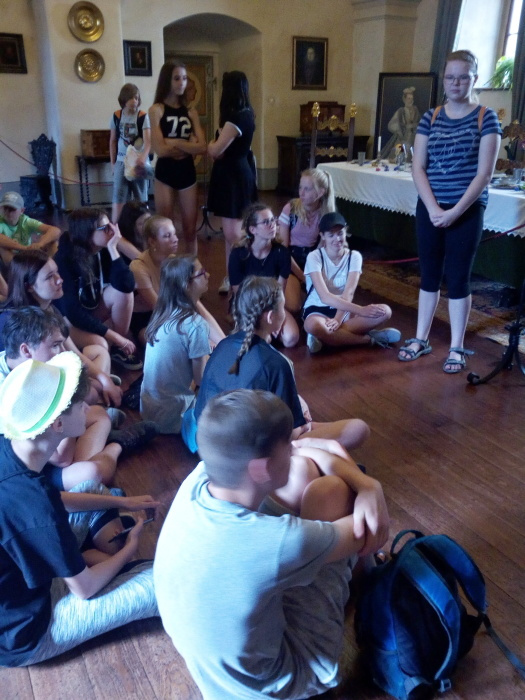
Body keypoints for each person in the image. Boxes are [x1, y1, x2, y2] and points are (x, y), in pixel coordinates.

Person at [154, 389, 389, 700]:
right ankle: (366, 588)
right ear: (261, 469)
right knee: (334, 493)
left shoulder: (198, 480)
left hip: (219, 675)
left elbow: (304, 452)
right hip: (280, 682)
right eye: (286, 448)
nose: (294, 449)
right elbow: (367, 529)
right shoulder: (278, 542)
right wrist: (365, 485)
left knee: (304, 474)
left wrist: (366, 483)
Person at [0, 352, 159, 667]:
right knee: (161, 583)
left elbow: (55, 500)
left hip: (24, 575)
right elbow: (84, 589)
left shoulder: (12, 448)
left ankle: (89, 554)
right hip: (27, 631)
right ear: (57, 423)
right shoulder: (35, 504)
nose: (87, 408)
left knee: (88, 487)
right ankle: (99, 556)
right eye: (79, 404)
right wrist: (129, 548)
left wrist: (123, 502)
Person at [398, 50, 501, 373]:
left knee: (458, 278)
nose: (456, 83)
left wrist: (455, 212)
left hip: (466, 209)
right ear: (444, 80)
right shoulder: (430, 117)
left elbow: (484, 174)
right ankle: (420, 339)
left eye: (463, 77)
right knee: (428, 274)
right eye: (451, 77)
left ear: (474, 79)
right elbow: (418, 167)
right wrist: (433, 207)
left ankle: (456, 347)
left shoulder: (486, 117)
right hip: (430, 207)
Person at [194, 276, 370, 451]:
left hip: (210, 446)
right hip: (249, 454)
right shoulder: (276, 363)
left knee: (303, 414)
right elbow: (288, 434)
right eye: (282, 308)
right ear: (271, 317)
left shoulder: (222, 345)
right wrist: (303, 427)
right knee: (358, 429)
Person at [0, 306, 157, 485]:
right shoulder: (9, 392)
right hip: (28, 471)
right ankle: (117, 446)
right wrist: (70, 399)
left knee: (99, 415)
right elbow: (61, 458)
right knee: (92, 473)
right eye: (55, 345)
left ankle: (92, 462)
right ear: (26, 351)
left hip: (50, 442)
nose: (62, 352)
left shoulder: (27, 367)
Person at [0, 249, 121, 406]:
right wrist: (95, 384)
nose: (60, 280)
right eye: (50, 277)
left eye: (57, 272)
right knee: (92, 392)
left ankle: (98, 401)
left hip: (55, 369)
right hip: (29, 388)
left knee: (99, 352)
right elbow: (32, 376)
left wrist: (104, 380)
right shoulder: (16, 323)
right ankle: (97, 406)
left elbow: (73, 353)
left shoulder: (50, 308)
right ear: (29, 287)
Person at [54, 208, 142, 371]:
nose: (112, 231)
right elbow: (72, 312)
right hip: (67, 320)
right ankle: (106, 346)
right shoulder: (64, 259)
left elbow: (127, 285)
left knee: (123, 294)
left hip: (90, 309)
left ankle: (117, 348)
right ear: (87, 233)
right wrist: (113, 335)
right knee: (101, 344)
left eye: (111, 225)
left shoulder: (105, 248)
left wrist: (114, 248)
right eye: (105, 227)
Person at [303, 212, 401, 354]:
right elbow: (325, 297)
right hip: (316, 309)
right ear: (322, 236)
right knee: (312, 326)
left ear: (346, 232)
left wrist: (338, 319)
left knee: (385, 312)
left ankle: (325, 337)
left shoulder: (354, 257)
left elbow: (348, 293)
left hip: (343, 310)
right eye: (331, 235)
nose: (337, 239)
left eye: (340, 233)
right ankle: (369, 339)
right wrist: (361, 310)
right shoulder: (315, 257)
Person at [141, 256, 210, 447]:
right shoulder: (195, 325)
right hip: (173, 415)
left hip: (148, 409)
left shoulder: (162, 314)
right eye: (202, 273)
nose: (208, 275)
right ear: (187, 285)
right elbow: (201, 380)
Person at [130, 215, 224, 345]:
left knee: (217, 343)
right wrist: (203, 339)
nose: (175, 239)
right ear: (152, 242)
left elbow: (197, 306)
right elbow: (159, 308)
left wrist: (224, 342)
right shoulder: (138, 267)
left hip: (175, 312)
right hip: (149, 319)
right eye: (167, 236)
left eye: (174, 234)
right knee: (192, 344)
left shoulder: (174, 261)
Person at [149, 60, 206, 256]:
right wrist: (188, 145)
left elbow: (202, 147)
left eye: (184, 78)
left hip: (187, 172)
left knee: (190, 230)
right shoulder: (156, 110)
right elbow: (160, 150)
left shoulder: (191, 112)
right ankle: (167, 269)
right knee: (165, 229)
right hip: (165, 172)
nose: (182, 83)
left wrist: (174, 142)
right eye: (177, 78)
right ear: (167, 80)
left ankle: (192, 268)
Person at [207, 71, 257, 293]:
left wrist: (210, 143)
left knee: (233, 234)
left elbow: (215, 151)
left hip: (233, 176)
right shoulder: (246, 114)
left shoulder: (237, 118)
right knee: (230, 233)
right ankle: (231, 276)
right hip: (234, 174)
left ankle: (244, 274)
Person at [229, 203, 299, 348]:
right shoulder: (238, 255)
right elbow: (240, 295)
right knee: (256, 339)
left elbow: (279, 293)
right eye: (266, 222)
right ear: (252, 229)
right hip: (248, 306)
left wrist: (276, 318)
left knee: (291, 338)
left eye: (273, 220)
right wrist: (264, 320)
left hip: (273, 304)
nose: (273, 225)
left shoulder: (282, 253)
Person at [278, 168, 336, 313]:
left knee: (332, 301)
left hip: (311, 259)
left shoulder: (326, 213)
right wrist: (303, 277)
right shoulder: (290, 209)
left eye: (307, 189)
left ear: (320, 193)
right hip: (290, 260)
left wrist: (314, 274)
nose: (301, 193)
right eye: (300, 187)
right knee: (293, 306)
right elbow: (283, 250)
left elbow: (322, 250)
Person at [109, 83, 151, 225]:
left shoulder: (142, 116)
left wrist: (143, 158)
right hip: (121, 160)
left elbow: (148, 142)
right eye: (131, 97)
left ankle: (144, 225)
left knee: (141, 196)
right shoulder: (116, 116)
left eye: (137, 98)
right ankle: (116, 227)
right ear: (124, 99)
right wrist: (113, 164)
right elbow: (112, 141)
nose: (135, 101)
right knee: (118, 195)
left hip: (138, 161)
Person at [0, 191, 61, 265]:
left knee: (53, 242)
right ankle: (16, 269)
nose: (7, 212)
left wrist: (40, 244)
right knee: (2, 247)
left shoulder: (26, 221)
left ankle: (48, 265)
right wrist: (25, 248)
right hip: (11, 260)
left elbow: (55, 230)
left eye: (12, 209)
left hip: (26, 256)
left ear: (22, 211)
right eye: (5, 208)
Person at [380, 87, 421, 161]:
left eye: (411, 98)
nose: (410, 100)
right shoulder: (400, 111)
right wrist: (400, 129)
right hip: (402, 139)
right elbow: (390, 125)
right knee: (399, 157)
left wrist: (414, 126)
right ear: (404, 99)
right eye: (408, 98)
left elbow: (420, 124)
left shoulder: (416, 111)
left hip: (413, 140)